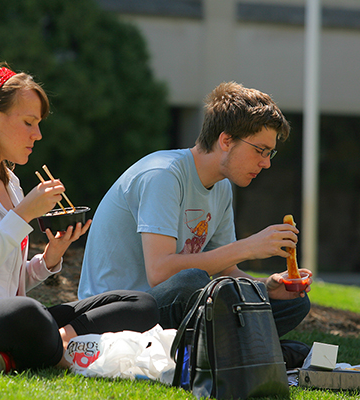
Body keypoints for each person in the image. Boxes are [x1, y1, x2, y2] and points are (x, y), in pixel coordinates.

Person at [0, 64, 159, 373]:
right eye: (29, 122)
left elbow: (1, 281)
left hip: (3, 317)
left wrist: (48, 259)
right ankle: (56, 355)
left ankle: (49, 343)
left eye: (38, 124)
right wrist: (23, 214)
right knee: (26, 311)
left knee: (140, 303)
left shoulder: (10, 182)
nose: (37, 135)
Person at [78, 82, 312, 366]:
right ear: (226, 140)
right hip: (117, 315)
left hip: (170, 308)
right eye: (260, 150)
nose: (266, 163)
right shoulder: (163, 175)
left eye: (269, 153)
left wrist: (266, 286)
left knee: (293, 302)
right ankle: (237, 349)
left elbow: (227, 270)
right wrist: (249, 247)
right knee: (192, 281)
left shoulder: (222, 187)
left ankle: (222, 349)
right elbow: (160, 272)